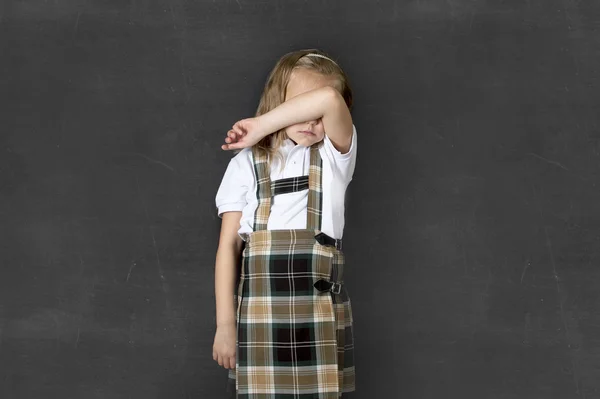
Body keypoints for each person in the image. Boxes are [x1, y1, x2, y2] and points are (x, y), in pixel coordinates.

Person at [213, 48, 357, 398]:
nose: (310, 122)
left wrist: (261, 124)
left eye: (315, 113)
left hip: (315, 308)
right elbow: (228, 247)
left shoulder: (335, 155)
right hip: (260, 312)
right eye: (299, 106)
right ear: (279, 102)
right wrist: (224, 325)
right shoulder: (246, 163)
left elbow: (328, 98)